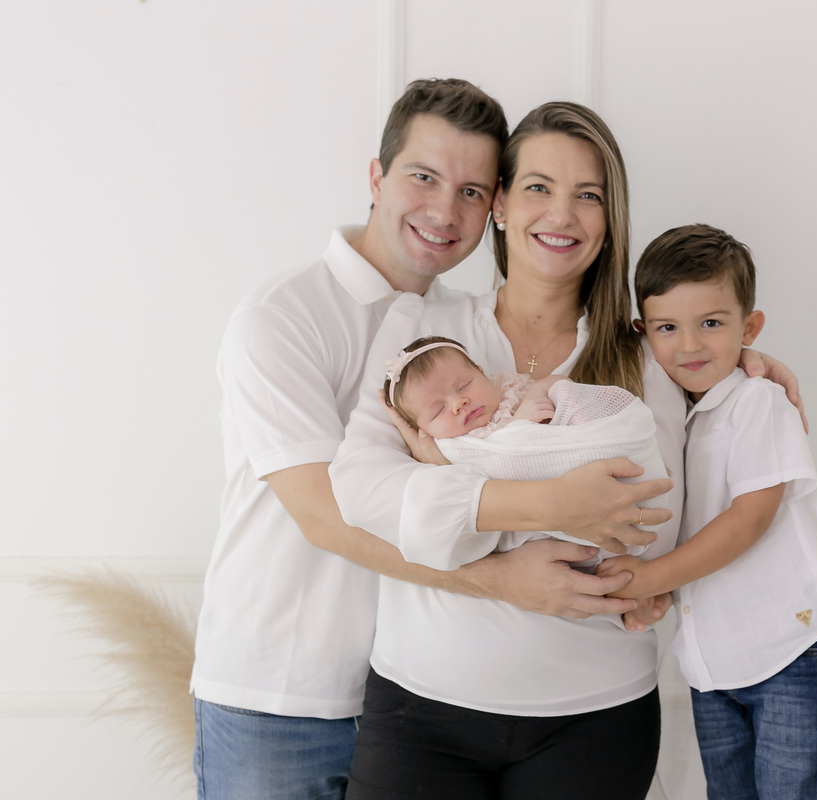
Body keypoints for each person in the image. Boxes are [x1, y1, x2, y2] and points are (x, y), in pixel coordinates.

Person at [190, 79, 666, 800]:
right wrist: (509, 570)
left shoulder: (440, 326)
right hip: (284, 691)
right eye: (423, 177)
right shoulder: (283, 315)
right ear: (376, 177)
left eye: (470, 190)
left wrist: (733, 373)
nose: (445, 210)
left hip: (396, 687)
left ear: (491, 203)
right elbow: (327, 515)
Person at [331, 101, 687, 799]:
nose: (562, 214)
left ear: (610, 219)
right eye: (538, 187)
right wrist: (553, 506)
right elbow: (360, 490)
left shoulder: (645, 358)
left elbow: (654, 523)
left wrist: (444, 489)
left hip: (596, 717)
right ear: (499, 204)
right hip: (419, 709)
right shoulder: (423, 330)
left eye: (589, 195)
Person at [599, 223, 817, 799]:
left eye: (711, 324)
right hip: (714, 662)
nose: (689, 345)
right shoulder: (679, 415)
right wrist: (660, 592)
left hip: (789, 651)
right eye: (668, 328)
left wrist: (648, 579)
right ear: (644, 333)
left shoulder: (757, 401)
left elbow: (747, 520)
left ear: (750, 327)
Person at [381, 334, 670, 571]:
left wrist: (537, 394)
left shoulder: (514, 392)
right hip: (542, 543)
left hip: (612, 483)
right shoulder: (456, 447)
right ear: (424, 430)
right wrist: (518, 431)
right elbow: (491, 474)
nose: (458, 403)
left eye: (464, 385)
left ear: (481, 373)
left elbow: (562, 389)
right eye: (438, 410)